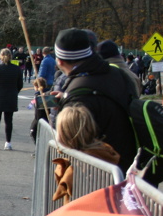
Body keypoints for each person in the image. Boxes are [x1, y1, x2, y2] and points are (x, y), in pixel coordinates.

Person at [55, 28, 137, 173]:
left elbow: (69, 141)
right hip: (129, 163)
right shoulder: (118, 74)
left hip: (98, 173)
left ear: (60, 61)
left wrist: (61, 106)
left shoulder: (77, 95)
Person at [0, 47, 23, 150]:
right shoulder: (16, 69)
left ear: (0, 56)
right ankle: (8, 142)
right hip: (11, 96)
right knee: (9, 121)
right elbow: (20, 84)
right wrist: (15, 92)